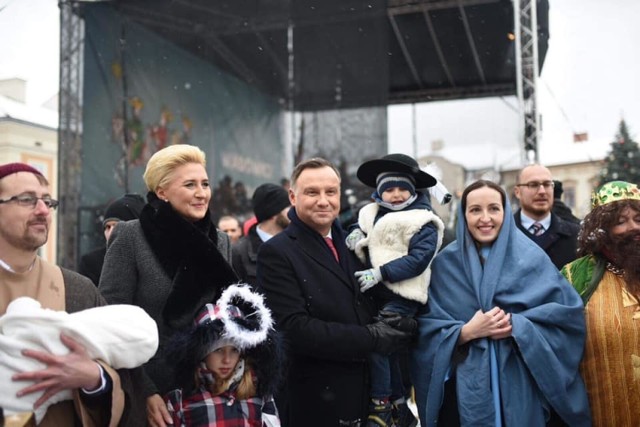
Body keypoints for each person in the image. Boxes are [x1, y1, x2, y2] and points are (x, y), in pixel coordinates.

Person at [411, 180, 591, 427]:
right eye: (475, 210)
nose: (485, 218)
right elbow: (424, 331)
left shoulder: (532, 259)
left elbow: (566, 318)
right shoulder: (443, 266)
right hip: (461, 397)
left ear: (505, 213)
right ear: (464, 216)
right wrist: (464, 333)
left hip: (523, 387)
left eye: (494, 208)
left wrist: (519, 326)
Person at [256, 157, 416, 427]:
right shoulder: (276, 252)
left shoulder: (358, 242)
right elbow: (294, 329)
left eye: (330, 192)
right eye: (312, 192)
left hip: (374, 398)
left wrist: (400, 320)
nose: (323, 200)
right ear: (293, 197)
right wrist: (371, 337)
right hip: (318, 403)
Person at [99, 144, 239, 427]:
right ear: (161, 192)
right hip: (151, 391)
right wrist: (145, 391)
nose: (202, 193)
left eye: (205, 184)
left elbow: (222, 318)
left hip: (206, 392)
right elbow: (111, 322)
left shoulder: (219, 240)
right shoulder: (131, 236)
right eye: (190, 185)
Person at [0, 162, 143, 426]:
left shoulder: (77, 289)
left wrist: (94, 379)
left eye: (47, 201)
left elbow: (125, 382)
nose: (43, 210)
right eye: (27, 199)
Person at [345, 153, 444, 427]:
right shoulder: (370, 212)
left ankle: (382, 403)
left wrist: (381, 273)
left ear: (414, 191)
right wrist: (353, 231)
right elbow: (361, 227)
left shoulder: (424, 220)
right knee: (386, 350)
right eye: (389, 188)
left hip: (404, 296)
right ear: (379, 192)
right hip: (373, 294)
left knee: (378, 344)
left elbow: (418, 260)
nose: (397, 194)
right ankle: (399, 403)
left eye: (403, 188)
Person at [561, 180, 640, 425]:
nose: (633, 227)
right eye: (621, 221)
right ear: (602, 228)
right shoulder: (575, 277)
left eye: (638, 218)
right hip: (603, 412)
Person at [164, 284, 284, 426]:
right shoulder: (180, 399)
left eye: (234, 350)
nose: (227, 360)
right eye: (218, 350)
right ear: (202, 353)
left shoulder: (260, 392)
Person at [513, 164, 580, 269]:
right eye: (533, 184)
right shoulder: (503, 235)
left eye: (547, 184)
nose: (542, 191)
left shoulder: (577, 237)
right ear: (517, 192)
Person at [78, 193, 145, 285]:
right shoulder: (91, 264)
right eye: (108, 227)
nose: (111, 232)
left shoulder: (152, 261)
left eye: (117, 225)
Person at [232, 183, 291, 286]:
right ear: (273, 214)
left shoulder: (297, 246)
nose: (293, 213)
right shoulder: (238, 253)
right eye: (288, 208)